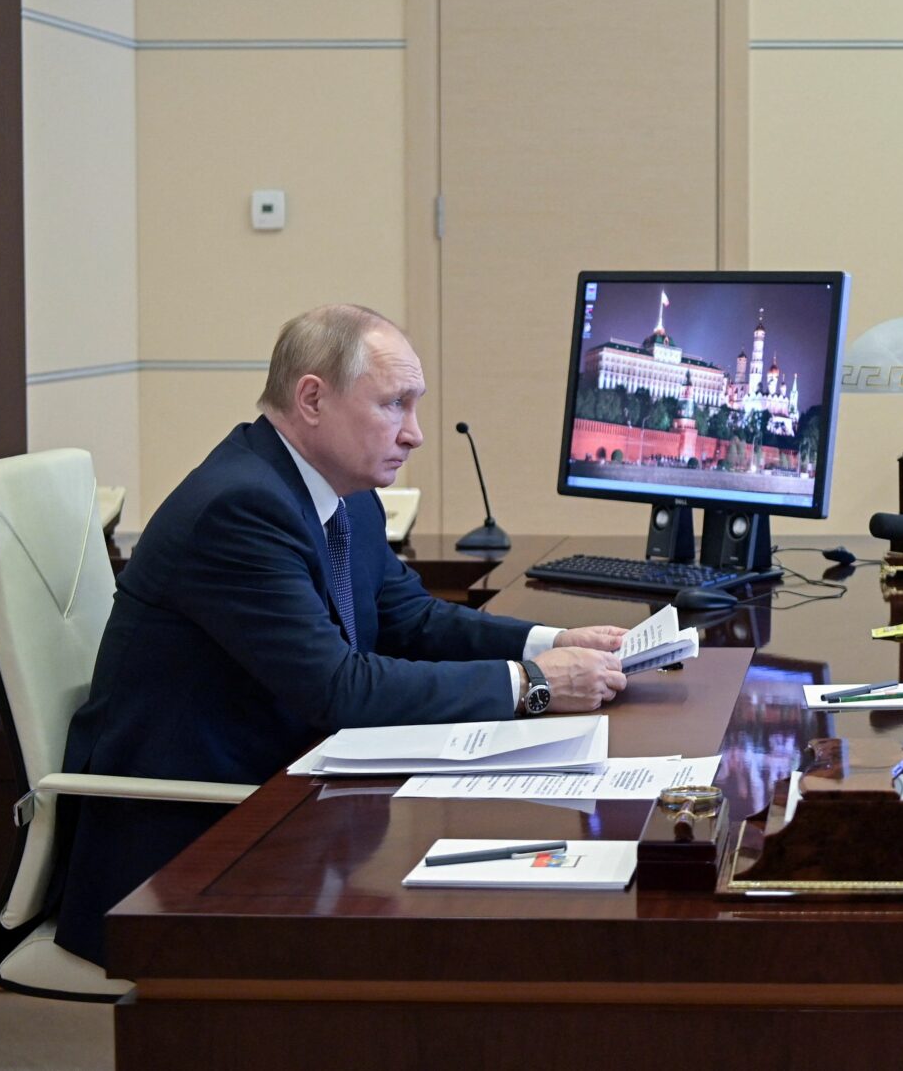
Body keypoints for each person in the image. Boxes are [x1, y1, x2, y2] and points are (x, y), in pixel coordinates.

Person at [53, 305, 631, 967]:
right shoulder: (239, 508)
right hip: (187, 849)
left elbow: (412, 619)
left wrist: (554, 641)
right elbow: (339, 687)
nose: (414, 434)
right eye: (394, 405)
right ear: (311, 399)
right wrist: (535, 686)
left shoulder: (343, 493)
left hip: (283, 803)